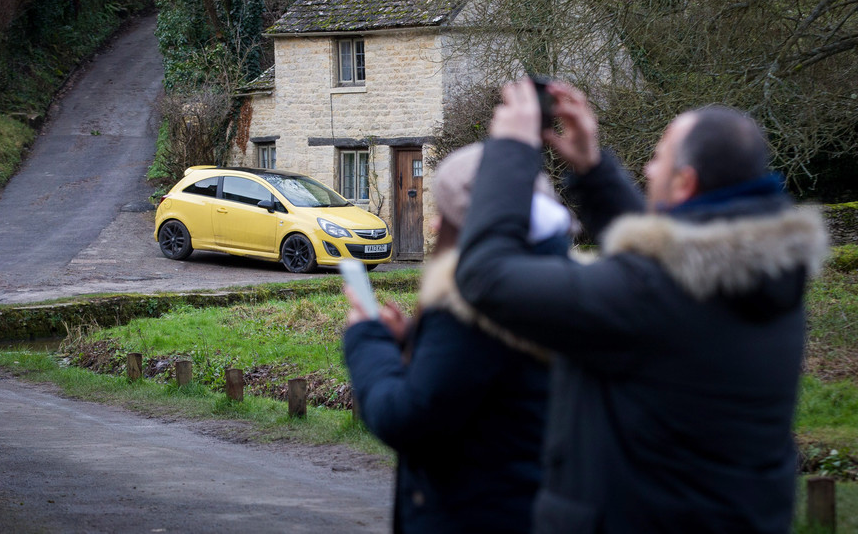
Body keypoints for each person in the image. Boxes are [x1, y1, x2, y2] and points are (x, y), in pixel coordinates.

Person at [455, 79, 828, 534]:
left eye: (657, 159)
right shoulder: (767, 275)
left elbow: (487, 277)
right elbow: (670, 262)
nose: (648, 171)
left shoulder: (650, 295)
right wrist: (594, 174)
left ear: (686, 182)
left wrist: (510, 149)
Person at [343, 143, 572, 534]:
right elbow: (495, 369)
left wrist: (367, 339)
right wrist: (413, 335)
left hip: (476, 512)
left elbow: (408, 419)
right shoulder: (559, 286)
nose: (433, 225)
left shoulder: (471, 306)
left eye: (446, 213)